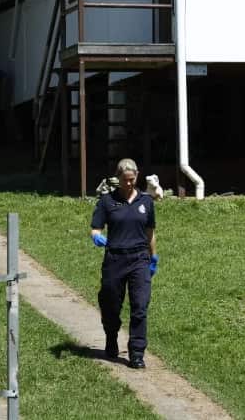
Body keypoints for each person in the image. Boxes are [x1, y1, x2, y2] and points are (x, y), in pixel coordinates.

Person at [90, 158, 158, 369]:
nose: (129, 183)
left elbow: (150, 232)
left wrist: (153, 257)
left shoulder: (146, 202)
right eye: (125, 180)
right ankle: (111, 336)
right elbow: (95, 228)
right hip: (115, 258)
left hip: (139, 258)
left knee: (140, 305)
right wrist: (97, 237)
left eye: (132, 179)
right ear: (118, 178)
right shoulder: (107, 202)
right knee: (110, 303)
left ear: (137, 176)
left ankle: (137, 352)